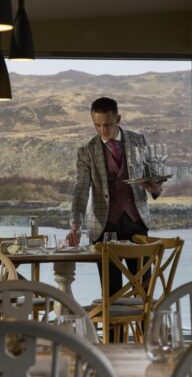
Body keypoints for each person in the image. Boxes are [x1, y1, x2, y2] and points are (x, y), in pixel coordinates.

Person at [67, 97, 164, 297]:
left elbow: (152, 177)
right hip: (104, 228)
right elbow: (81, 188)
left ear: (118, 118)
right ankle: (113, 330)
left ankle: (144, 329)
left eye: (108, 125)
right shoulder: (86, 151)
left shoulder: (138, 140)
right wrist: (76, 224)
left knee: (144, 291)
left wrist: (155, 188)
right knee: (111, 295)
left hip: (136, 224)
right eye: (98, 125)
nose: (103, 130)